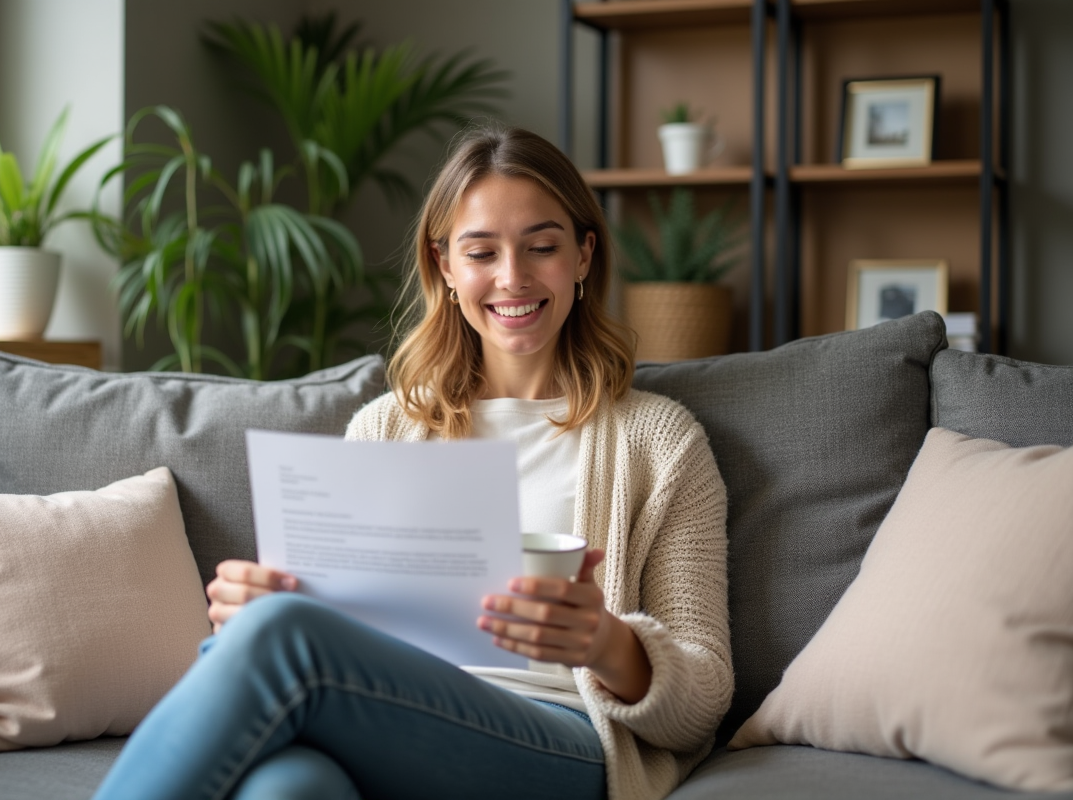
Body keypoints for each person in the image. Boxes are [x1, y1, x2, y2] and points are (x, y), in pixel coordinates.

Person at [92, 124, 732, 800]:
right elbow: (340, 623)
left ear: (583, 255)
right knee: (287, 788)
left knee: (282, 638)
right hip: (387, 722)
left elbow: (705, 699)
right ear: (445, 266)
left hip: (559, 739)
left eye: (542, 247)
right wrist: (262, 603)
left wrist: (605, 642)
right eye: (481, 252)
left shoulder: (660, 443)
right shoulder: (385, 428)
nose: (512, 276)